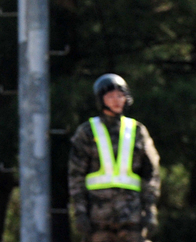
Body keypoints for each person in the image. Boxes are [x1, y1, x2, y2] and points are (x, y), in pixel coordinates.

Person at [68, 73, 161, 242]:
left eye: (120, 95)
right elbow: (76, 176)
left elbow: (151, 174)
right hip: (97, 218)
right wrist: (80, 213)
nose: (117, 100)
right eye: (110, 96)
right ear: (100, 100)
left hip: (131, 217)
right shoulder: (87, 132)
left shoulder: (137, 131)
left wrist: (150, 210)